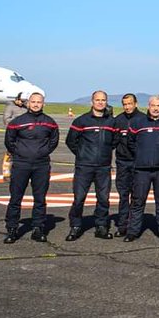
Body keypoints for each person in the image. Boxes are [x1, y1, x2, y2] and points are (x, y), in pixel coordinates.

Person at [3, 92, 59, 242]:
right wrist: (20, 153)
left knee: (40, 199)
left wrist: (43, 152)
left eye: (39, 102)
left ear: (43, 104)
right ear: (28, 103)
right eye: (33, 102)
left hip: (41, 165)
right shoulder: (17, 122)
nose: (35, 104)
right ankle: (12, 229)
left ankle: (38, 228)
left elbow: (54, 141)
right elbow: (9, 141)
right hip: (21, 164)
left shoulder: (50, 122)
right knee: (16, 198)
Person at [64, 90, 116, 241]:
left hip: (103, 167)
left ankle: (101, 226)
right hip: (84, 166)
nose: (100, 102)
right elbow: (71, 141)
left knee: (103, 199)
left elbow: (115, 141)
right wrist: (82, 154)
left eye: (103, 100)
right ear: (92, 102)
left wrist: (105, 153)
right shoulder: (81, 121)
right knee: (79, 198)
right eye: (97, 100)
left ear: (106, 102)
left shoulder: (111, 122)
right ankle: (76, 226)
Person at [123, 96, 159, 242]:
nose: (156, 108)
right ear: (148, 106)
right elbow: (131, 143)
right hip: (141, 170)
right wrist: (141, 155)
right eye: (153, 105)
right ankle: (132, 232)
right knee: (137, 201)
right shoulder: (138, 122)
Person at [111, 93, 145, 236]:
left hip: (138, 163)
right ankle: (122, 225)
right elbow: (112, 141)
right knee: (123, 195)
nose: (127, 107)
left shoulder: (143, 119)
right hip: (123, 162)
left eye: (130, 104)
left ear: (135, 104)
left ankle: (134, 225)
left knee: (137, 196)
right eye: (125, 104)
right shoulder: (118, 120)